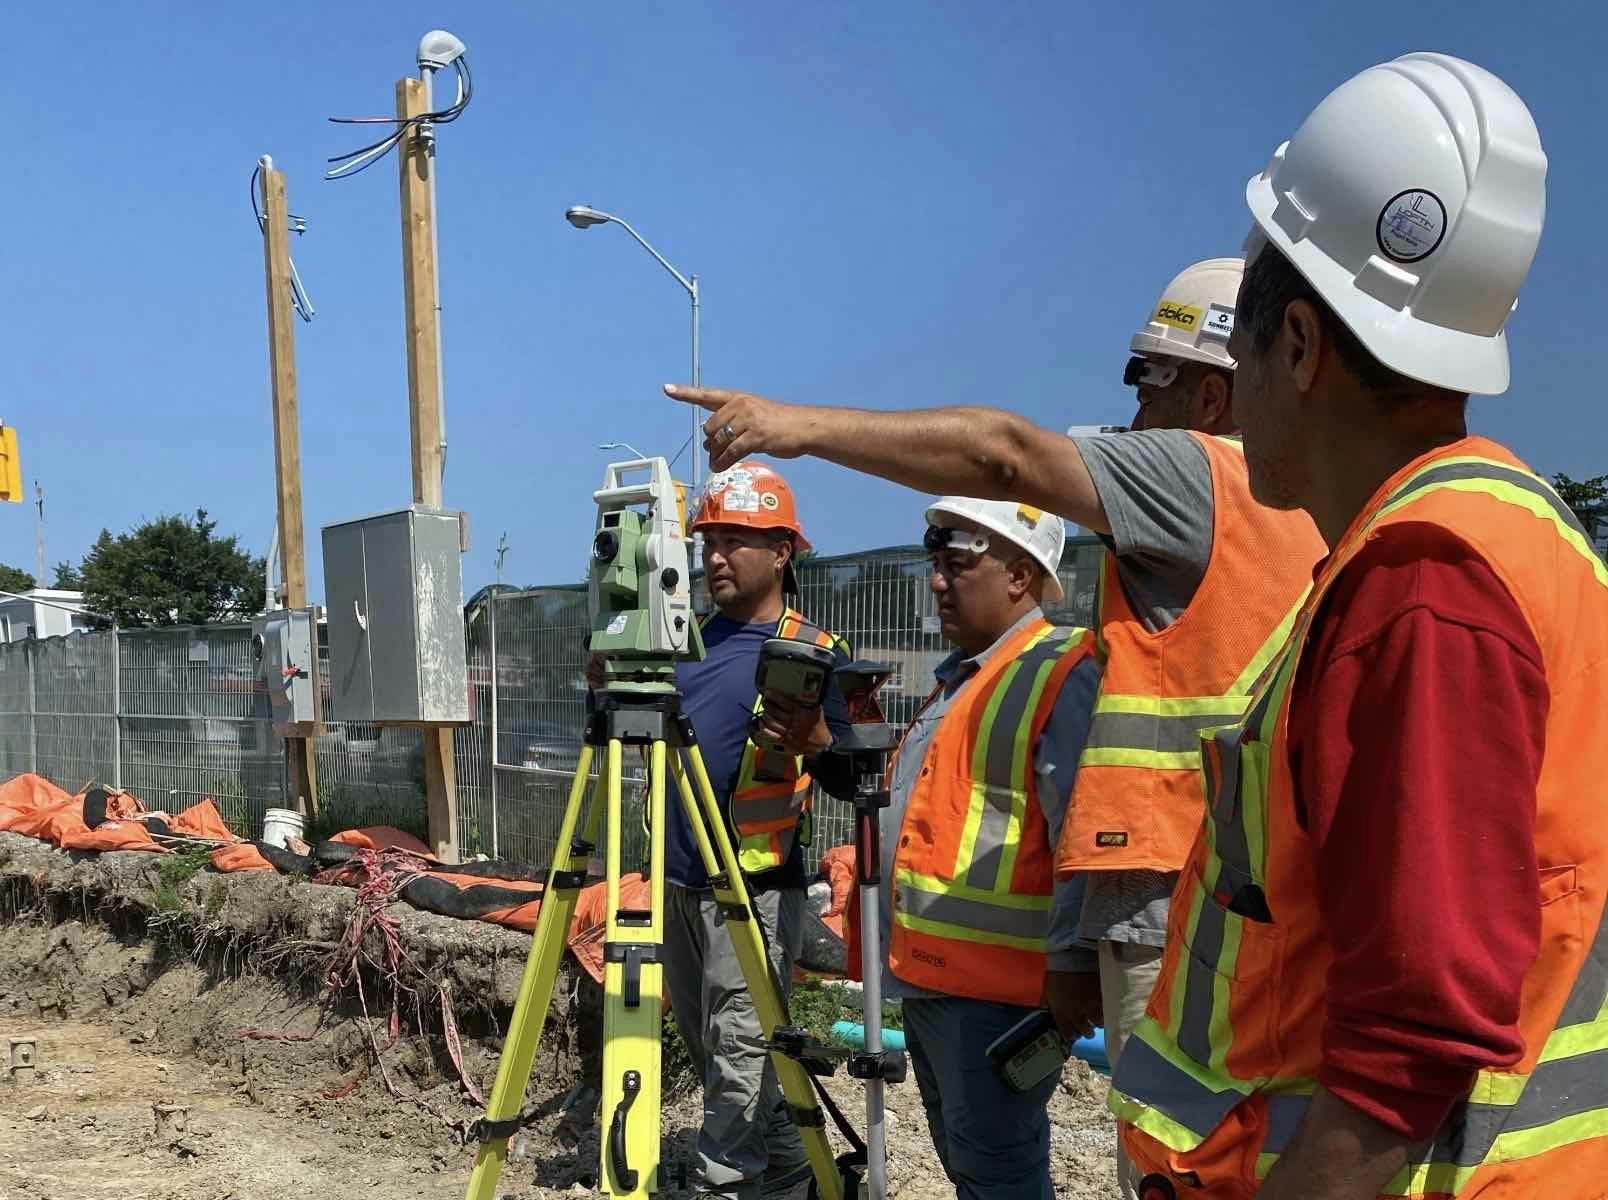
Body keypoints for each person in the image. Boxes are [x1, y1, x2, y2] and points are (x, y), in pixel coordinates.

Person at [669, 49, 1607, 1200]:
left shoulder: (1423, 581)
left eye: (1177, 375)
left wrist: (791, 424)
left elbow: (1415, 1029)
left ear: (1297, 348)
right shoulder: (1516, 535)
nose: (1140, 416)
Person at [666, 262, 1325, 1198]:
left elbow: (1005, 454)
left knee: (1146, 1161)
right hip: (1100, 928)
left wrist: (794, 427)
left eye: (1151, 383)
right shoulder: (965, 681)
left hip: (1113, 934)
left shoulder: (1185, 513)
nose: (1131, 415)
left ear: (1217, 393)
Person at [845, 494, 1098, 1200]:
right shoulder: (960, 681)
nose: (937, 581)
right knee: (972, 1169)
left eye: (958, 563)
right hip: (932, 977)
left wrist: (1075, 960)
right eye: (935, 562)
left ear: (1020, 575)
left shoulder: (1059, 670)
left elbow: (1085, 824)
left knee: (1000, 1176)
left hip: (998, 995)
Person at [666, 460, 853, 1200]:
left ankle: (728, 1189)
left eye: (735, 540)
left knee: (739, 1075)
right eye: (709, 539)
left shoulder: (810, 650)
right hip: (680, 886)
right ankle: (793, 1181)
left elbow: (852, 776)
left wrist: (818, 740)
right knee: (727, 1065)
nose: (714, 555)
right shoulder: (685, 643)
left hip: (756, 892)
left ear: (782, 550)